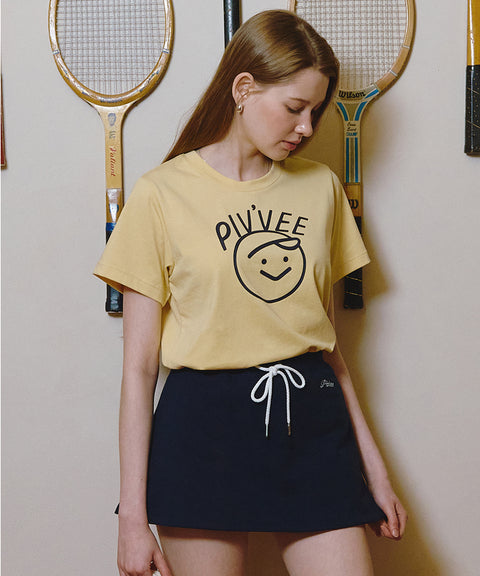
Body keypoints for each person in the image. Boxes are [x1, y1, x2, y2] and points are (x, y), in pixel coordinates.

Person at [94, 9, 407, 576]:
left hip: (312, 426)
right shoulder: (161, 194)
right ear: (243, 88)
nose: (306, 128)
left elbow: (329, 348)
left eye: (315, 111)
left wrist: (374, 471)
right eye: (294, 107)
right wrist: (131, 518)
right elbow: (138, 370)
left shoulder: (321, 189)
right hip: (201, 435)